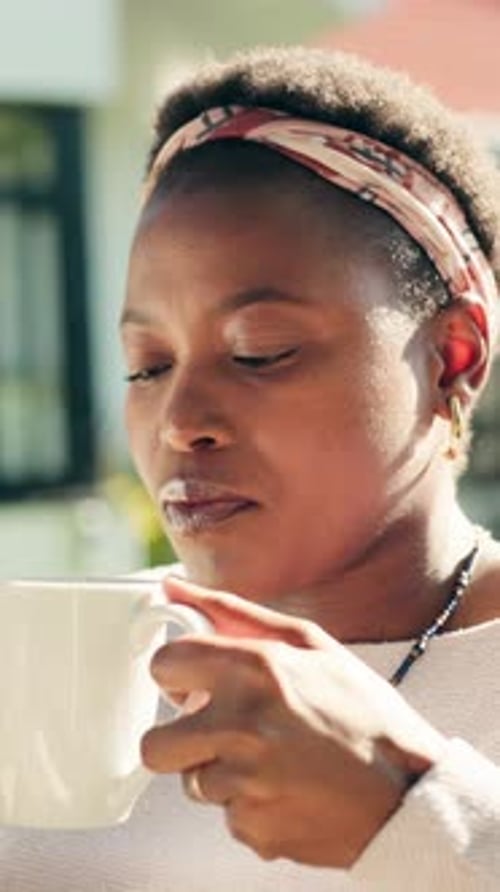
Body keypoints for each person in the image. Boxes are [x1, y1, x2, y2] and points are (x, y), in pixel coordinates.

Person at [2, 45, 500, 891]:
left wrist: (417, 812)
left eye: (259, 352)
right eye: (147, 367)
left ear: (452, 358)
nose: (181, 421)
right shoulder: (68, 665)